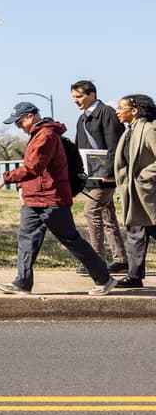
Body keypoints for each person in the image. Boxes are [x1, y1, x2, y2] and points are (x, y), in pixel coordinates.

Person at [0, 101, 116, 296]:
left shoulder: (46, 136)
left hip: (51, 199)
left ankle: (104, 279)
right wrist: (23, 187)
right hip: (35, 199)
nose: (18, 127)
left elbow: (34, 168)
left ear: (30, 116)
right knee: (26, 240)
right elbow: (36, 170)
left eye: (19, 122)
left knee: (71, 240)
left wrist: (5, 179)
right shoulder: (38, 135)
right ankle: (22, 282)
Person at [70, 80, 128, 274]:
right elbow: (79, 148)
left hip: (106, 176)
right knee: (106, 215)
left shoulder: (107, 113)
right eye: (73, 98)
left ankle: (96, 260)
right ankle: (120, 260)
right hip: (92, 176)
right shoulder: (82, 119)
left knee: (91, 211)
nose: (76, 101)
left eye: (79, 96)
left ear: (92, 94)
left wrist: (111, 174)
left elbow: (116, 146)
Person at [112, 94, 156, 288]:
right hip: (133, 191)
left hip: (148, 192)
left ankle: (134, 275)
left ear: (135, 110)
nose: (118, 111)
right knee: (135, 231)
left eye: (121, 108)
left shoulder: (148, 130)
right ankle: (134, 276)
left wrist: (144, 175)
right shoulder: (129, 131)